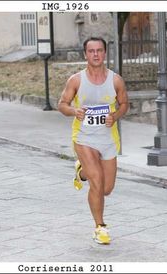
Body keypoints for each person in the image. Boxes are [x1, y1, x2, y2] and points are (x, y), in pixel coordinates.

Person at [58, 37, 129, 245]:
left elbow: (124, 104)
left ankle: (81, 172)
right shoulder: (76, 80)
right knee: (97, 181)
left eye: (99, 50)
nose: (96, 54)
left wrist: (115, 116)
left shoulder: (116, 80)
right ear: (85, 54)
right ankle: (100, 227)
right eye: (91, 51)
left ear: (105, 53)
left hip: (108, 139)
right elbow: (62, 104)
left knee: (106, 189)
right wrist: (74, 111)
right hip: (84, 138)